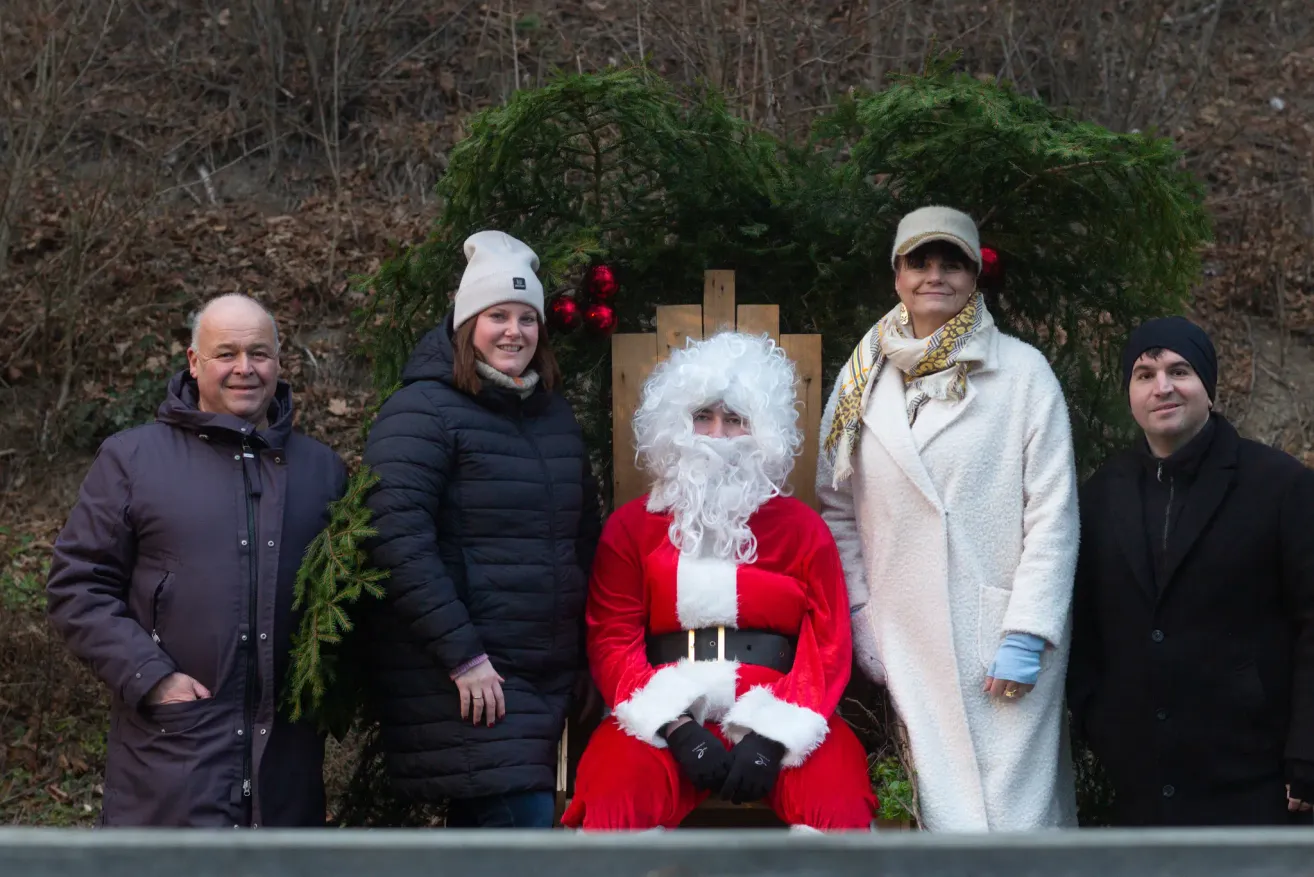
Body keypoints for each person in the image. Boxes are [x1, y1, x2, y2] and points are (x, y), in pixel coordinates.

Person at [816, 205, 1080, 831]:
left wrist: (1030, 629)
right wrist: (861, 617)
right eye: (920, 261)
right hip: (902, 640)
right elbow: (835, 509)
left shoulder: (1022, 373)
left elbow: (1053, 511)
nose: (935, 274)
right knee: (929, 820)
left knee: (1015, 821)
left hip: (1001, 638)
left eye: (952, 261)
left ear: (975, 275)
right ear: (897, 275)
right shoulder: (860, 380)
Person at [46, 294, 347, 827]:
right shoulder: (133, 460)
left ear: (279, 363)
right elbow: (77, 586)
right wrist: (151, 677)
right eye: (225, 354)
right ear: (193, 362)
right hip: (171, 763)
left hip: (286, 775)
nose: (244, 369)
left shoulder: (323, 471)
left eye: (259, 353)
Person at [561, 332, 878, 832]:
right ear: (677, 427)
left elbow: (829, 642)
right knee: (611, 796)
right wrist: (676, 725)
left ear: (762, 431)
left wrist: (773, 735)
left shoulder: (799, 527)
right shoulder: (632, 527)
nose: (716, 435)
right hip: (664, 706)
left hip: (779, 702)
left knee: (840, 804)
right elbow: (611, 638)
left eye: (734, 420)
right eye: (702, 418)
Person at [361, 230, 600, 828]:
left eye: (527, 317)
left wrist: (587, 657)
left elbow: (582, 538)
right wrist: (463, 656)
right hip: (472, 679)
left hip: (545, 677)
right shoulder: (422, 411)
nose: (514, 331)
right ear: (468, 323)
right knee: (520, 826)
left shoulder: (552, 414)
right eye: (497, 315)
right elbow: (396, 537)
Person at [1068, 317, 1314, 826]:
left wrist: (1307, 751)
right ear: (1130, 393)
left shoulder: (1279, 486)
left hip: (1258, 783)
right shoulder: (1100, 495)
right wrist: (1100, 719)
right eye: (1144, 374)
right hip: (1144, 786)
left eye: (1179, 370)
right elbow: (1085, 624)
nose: (1163, 387)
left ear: (1208, 384)